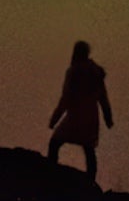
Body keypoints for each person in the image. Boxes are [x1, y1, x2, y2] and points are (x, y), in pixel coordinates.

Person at [45, 40, 112, 179]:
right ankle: (91, 180)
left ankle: (51, 173)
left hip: (75, 116)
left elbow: (65, 98)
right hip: (90, 116)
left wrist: (54, 119)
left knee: (55, 143)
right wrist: (108, 117)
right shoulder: (96, 72)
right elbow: (103, 98)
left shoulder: (74, 71)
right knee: (89, 149)